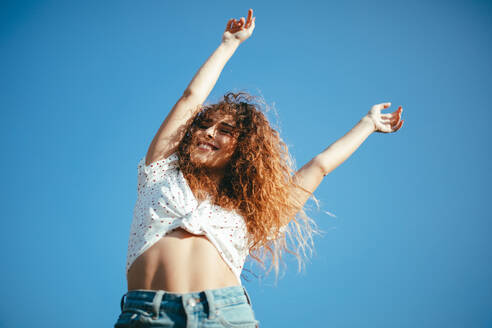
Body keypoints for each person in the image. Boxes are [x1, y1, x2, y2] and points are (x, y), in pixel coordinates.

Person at [114, 8, 404, 328]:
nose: (209, 132)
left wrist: (367, 124)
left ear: (243, 150)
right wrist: (229, 44)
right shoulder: (161, 171)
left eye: (225, 130)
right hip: (149, 316)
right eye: (205, 125)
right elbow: (190, 98)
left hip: (226, 315)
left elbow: (319, 167)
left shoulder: (252, 211)